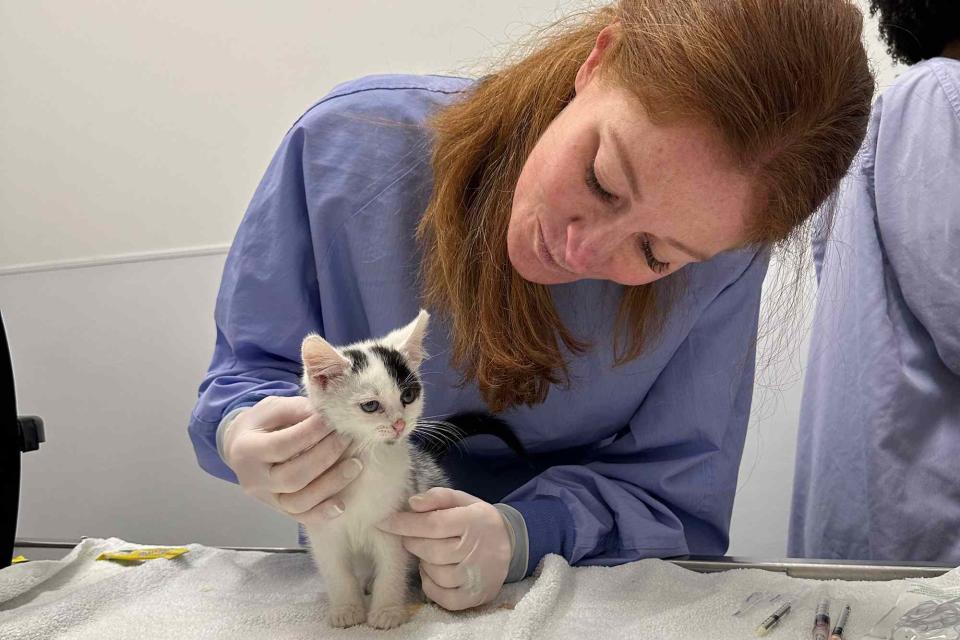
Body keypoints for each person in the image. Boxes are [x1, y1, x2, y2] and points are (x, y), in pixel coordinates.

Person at [189, 0, 872, 612]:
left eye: (656, 256)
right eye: (601, 179)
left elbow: (673, 497)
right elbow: (246, 376)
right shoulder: (346, 148)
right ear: (597, 61)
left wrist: (524, 534)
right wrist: (245, 435)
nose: (582, 251)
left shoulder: (720, 261)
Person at [789, 1, 960, 562]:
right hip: (924, 491)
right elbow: (950, 288)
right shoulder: (943, 92)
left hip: (888, 478)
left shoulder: (901, 104)